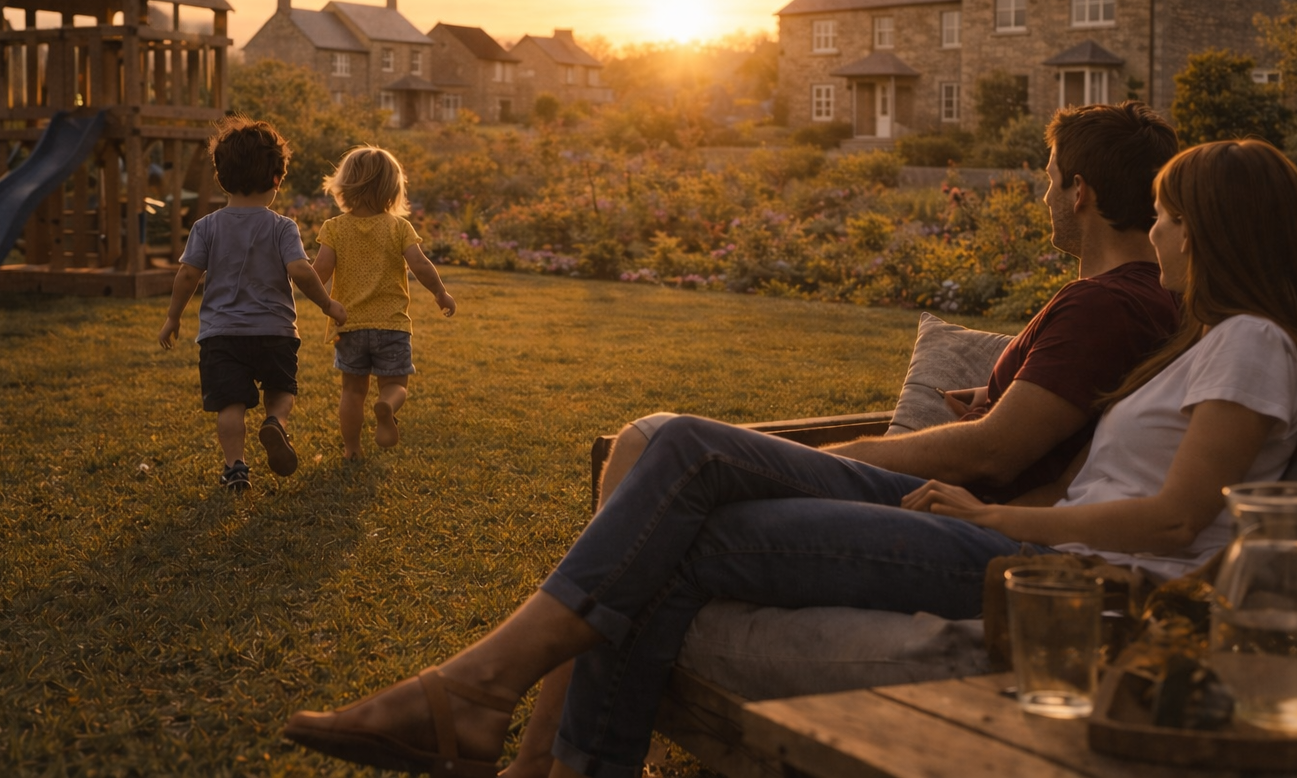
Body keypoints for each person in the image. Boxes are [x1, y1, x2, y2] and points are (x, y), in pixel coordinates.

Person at [282, 138, 1297, 778]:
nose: (1155, 237)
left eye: (1166, 218)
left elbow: (1173, 522)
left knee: (688, 469)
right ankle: (494, 714)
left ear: (1211, 230)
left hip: (1073, 585)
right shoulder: (1210, 343)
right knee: (686, 509)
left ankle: (476, 697)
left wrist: (999, 522)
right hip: (1034, 552)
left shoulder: (1255, 341)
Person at [497, 100, 1181, 778]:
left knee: (665, 447)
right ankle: (539, 753)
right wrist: (1003, 393)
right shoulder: (1137, 298)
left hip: (954, 512)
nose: (1042, 192)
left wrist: (852, 455)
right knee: (654, 450)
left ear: (1080, 192)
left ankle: (523, 736)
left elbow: (992, 452)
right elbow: (1057, 417)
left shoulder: (1106, 302)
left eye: (1049, 175)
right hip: (963, 507)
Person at [158, 116, 348, 492]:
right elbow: (302, 272)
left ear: (221, 177)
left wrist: (172, 317)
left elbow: (186, 276)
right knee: (281, 390)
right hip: (275, 331)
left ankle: (235, 468)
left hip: (221, 335)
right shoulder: (281, 227)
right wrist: (328, 304)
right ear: (277, 178)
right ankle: (275, 422)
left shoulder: (206, 226)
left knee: (230, 404)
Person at [313, 145, 456, 459]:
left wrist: (318, 300)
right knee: (395, 384)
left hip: (349, 324)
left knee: (351, 391)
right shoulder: (399, 227)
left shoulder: (334, 228)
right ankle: (387, 405)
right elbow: (420, 266)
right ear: (393, 190)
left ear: (344, 186)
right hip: (391, 324)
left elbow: (318, 272)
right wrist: (440, 293)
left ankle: (352, 450)